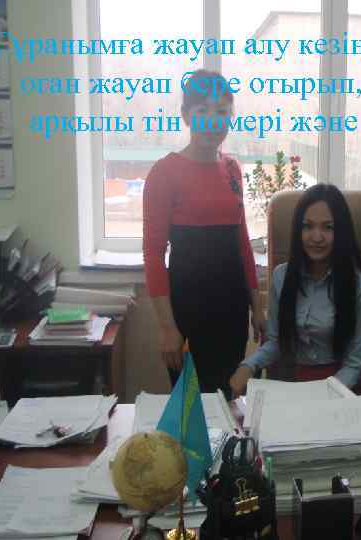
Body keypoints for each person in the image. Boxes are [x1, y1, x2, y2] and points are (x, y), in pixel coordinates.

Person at [143, 69, 264, 398]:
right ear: (186, 115)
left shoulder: (232, 169)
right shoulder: (164, 172)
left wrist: (258, 306)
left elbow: (242, 243)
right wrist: (167, 328)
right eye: (202, 111)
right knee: (191, 410)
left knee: (228, 401)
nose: (213, 121)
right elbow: (153, 255)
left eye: (221, 111)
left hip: (232, 309)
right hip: (187, 313)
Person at [229, 184, 361, 396]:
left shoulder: (359, 286)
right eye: (308, 226)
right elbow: (276, 343)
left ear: (341, 232)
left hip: (348, 386)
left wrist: (319, 398)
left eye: (328, 227)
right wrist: (248, 365)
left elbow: (354, 364)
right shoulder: (282, 277)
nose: (316, 237)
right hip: (303, 381)